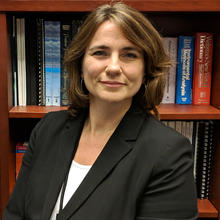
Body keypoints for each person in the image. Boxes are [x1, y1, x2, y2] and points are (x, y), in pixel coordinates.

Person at [3, 2, 198, 220]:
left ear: (146, 70)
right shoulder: (48, 128)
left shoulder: (168, 153)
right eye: (100, 53)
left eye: (129, 55)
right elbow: (15, 214)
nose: (113, 67)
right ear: (80, 65)